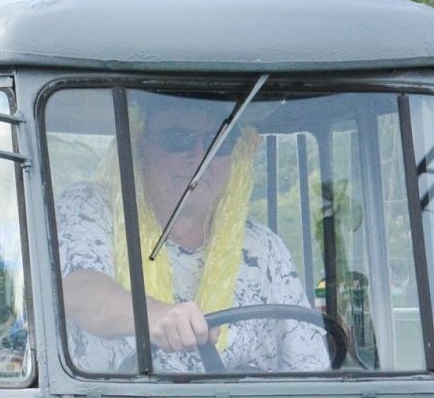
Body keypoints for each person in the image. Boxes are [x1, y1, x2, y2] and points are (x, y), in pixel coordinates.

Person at [57, 92, 328, 374]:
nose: (200, 156)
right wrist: (156, 315)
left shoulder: (265, 248)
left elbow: (311, 367)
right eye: (178, 139)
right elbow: (79, 289)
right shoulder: (92, 208)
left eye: (219, 143)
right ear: (139, 148)